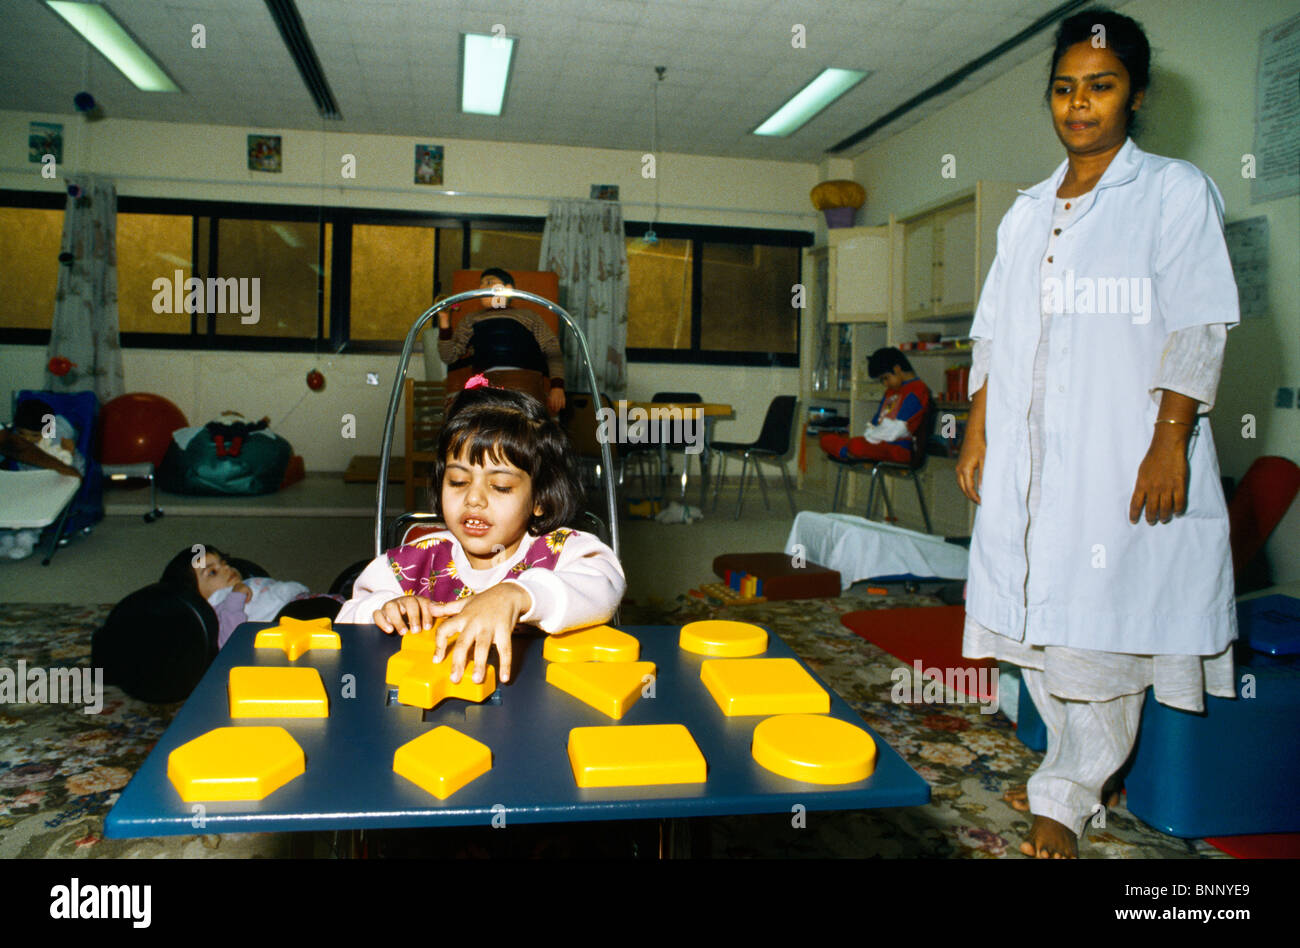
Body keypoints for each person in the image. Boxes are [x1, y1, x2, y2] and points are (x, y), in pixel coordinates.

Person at [954, 9, 1239, 858]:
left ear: (1137, 96)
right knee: (1040, 621)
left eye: (1102, 87)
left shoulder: (1173, 190)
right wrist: (978, 432)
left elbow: (1199, 328)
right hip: (1029, 452)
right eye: (1066, 87)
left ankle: (1069, 795)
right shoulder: (1026, 212)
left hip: (1124, 445)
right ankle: (1077, 768)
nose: (1080, 104)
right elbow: (997, 336)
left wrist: (1167, 441)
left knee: (1103, 628)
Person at [338, 376, 625, 685]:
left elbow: (606, 584)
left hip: (535, 704)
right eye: (458, 482)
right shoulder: (413, 561)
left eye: (500, 486)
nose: (473, 498)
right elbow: (346, 619)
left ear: (540, 498)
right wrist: (383, 608)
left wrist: (518, 595)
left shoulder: (560, 551)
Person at [437, 268, 567, 414]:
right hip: (487, 384)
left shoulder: (528, 316)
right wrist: (444, 320)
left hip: (524, 382)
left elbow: (551, 348)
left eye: (489, 282)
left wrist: (557, 386)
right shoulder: (471, 319)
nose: (481, 288)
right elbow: (448, 356)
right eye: (480, 284)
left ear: (508, 289)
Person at [160, 545, 343, 649]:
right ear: (196, 595)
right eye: (212, 572)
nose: (226, 568)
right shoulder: (217, 608)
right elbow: (230, 642)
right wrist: (234, 600)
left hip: (312, 604)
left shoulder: (249, 582)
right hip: (287, 628)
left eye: (223, 563)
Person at [819, 348, 931, 464]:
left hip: (899, 447)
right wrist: (870, 434)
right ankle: (849, 452)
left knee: (856, 445)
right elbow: (877, 419)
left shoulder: (917, 389)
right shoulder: (891, 391)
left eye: (886, 378)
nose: (885, 384)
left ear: (897, 369)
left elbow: (898, 429)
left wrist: (870, 439)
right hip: (880, 443)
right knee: (826, 439)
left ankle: (848, 452)